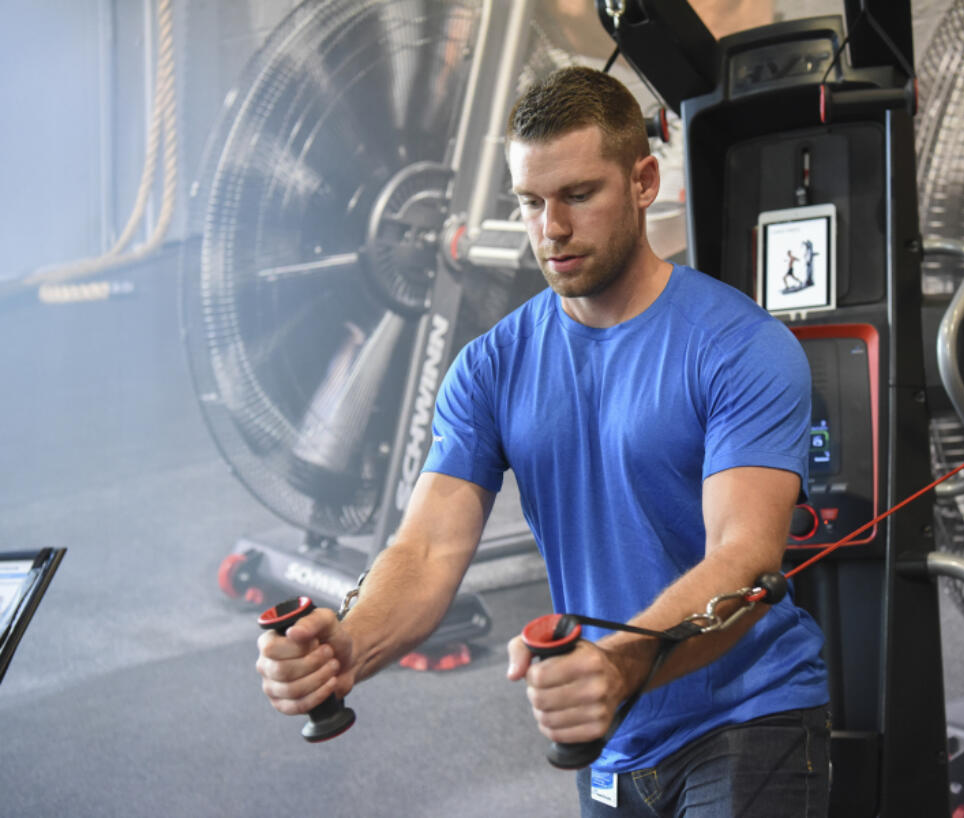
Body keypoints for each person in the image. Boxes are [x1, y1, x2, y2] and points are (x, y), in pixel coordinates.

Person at [256, 66, 830, 817]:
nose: (550, 229)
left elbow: (744, 555)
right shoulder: (492, 365)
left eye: (578, 196)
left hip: (751, 715)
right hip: (611, 736)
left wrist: (618, 664)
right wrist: (348, 647)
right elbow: (427, 550)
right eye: (530, 202)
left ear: (644, 180)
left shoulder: (739, 346)